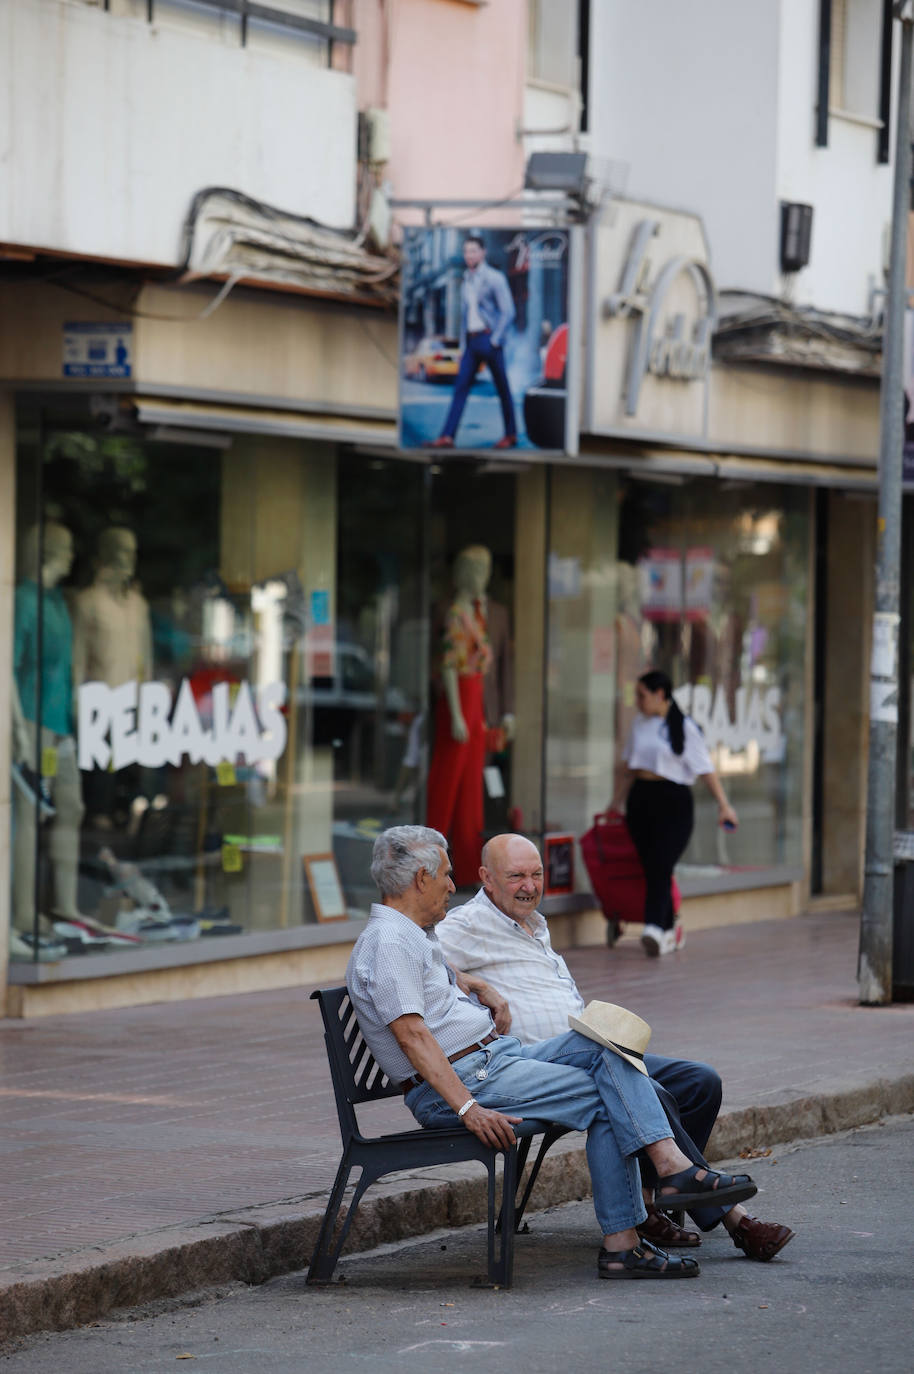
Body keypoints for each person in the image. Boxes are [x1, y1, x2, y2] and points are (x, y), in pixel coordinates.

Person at [346, 825, 761, 1282]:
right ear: (420, 879)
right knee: (608, 1096)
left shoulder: (414, 934)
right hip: (468, 1080)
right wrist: (468, 1108)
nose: (451, 885)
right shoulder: (388, 942)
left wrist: (477, 984)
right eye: (446, 875)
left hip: (493, 1060)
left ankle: (668, 1174)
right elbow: (411, 1036)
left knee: (601, 1041)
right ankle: (635, 1227)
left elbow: (433, 984)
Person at [438, 833, 795, 1263]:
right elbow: (414, 958)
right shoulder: (465, 925)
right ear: (486, 879)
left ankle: (648, 1198)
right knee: (651, 1091)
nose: (529, 886)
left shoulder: (534, 923)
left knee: (700, 1081)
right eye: (515, 876)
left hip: (592, 1049)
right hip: (544, 1063)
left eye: (536, 874)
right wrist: (472, 982)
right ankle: (736, 1219)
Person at [610, 669, 739, 958]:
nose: (638, 702)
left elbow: (706, 769)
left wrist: (724, 804)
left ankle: (654, 926)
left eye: (642, 696)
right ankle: (669, 930)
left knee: (661, 863)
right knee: (652, 866)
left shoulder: (684, 727)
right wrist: (615, 802)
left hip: (674, 802)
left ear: (660, 694)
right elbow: (628, 768)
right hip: (641, 799)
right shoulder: (639, 724)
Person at [431, 234, 518, 451]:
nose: (469, 255)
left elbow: (508, 312)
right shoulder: (466, 281)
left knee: (502, 389)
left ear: (482, 253)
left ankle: (511, 434)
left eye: (473, 251)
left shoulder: (494, 278)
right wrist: (462, 346)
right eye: (466, 251)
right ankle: (447, 436)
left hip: (489, 339)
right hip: (471, 342)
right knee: (460, 388)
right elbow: (465, 316)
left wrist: (495, 340)